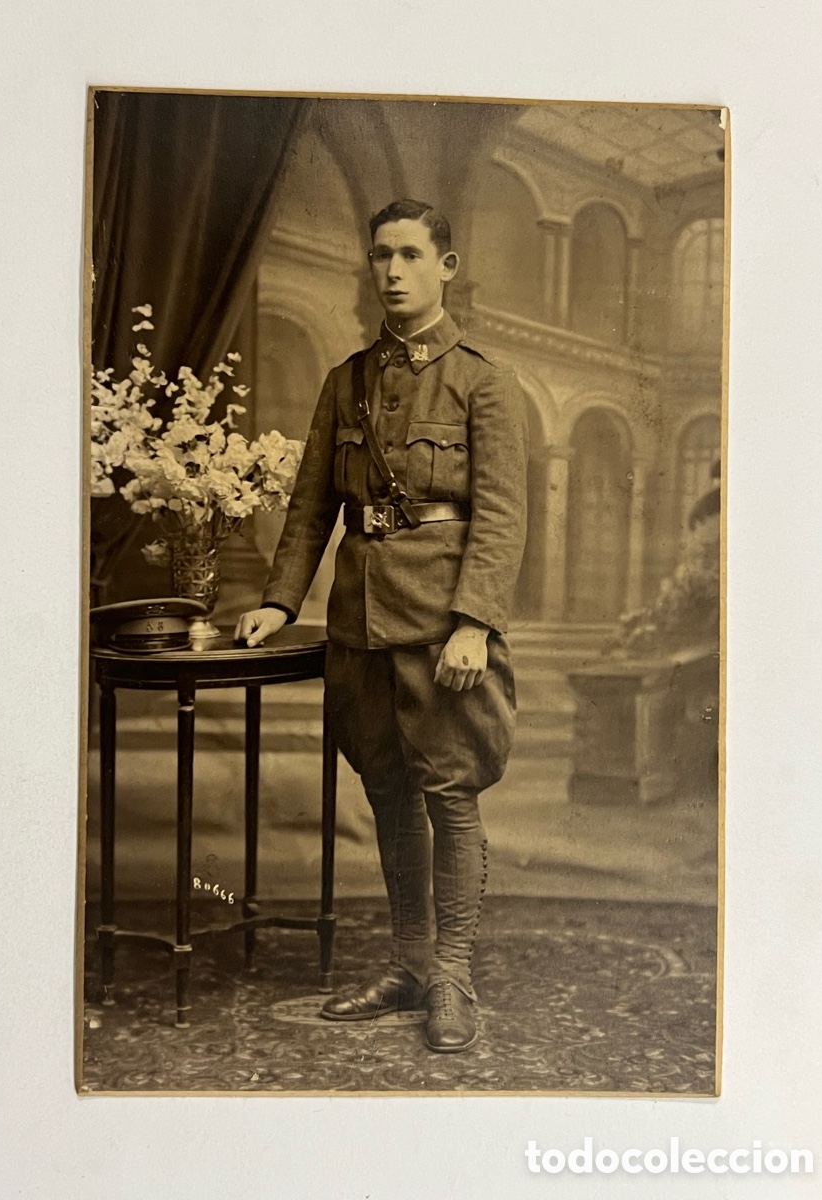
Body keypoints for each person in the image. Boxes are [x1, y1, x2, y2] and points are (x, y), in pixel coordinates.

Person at [236, 199, 528, 1053]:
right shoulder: (347, 381)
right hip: (359, 624)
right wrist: (280, 599)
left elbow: (503, 516)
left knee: (450, 792)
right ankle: (407, 964)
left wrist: (474, 621)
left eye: (409, 255)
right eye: (380, 257)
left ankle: (454, 973)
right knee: (389, 793)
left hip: (443, 627)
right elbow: (309, 508)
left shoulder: (482, 380)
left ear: (447, 265)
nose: (392, 271)